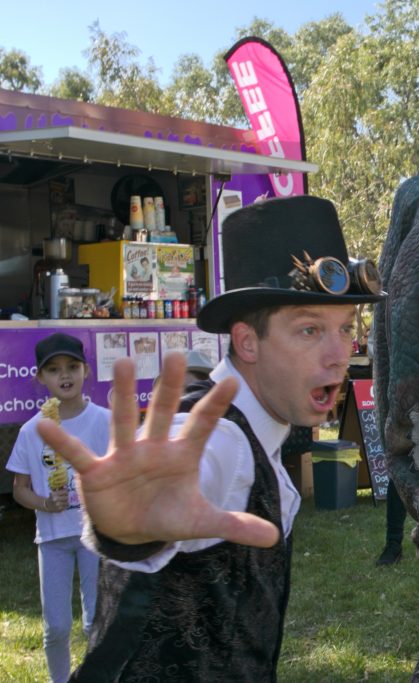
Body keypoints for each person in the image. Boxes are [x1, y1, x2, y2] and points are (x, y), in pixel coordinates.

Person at [36, 196, 385, 680]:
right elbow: (197, 463)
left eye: (345, 329)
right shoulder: (219, 436)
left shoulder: (263, 429)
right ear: (246, 341)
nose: (338, 355)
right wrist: (129, 529)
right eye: (309, 330)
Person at [6, 333, 110, 683]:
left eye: (72, 367)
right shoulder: (32, 430)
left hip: (95, 536)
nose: (64, 375)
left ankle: (96, 677)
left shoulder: (103, 421)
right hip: (52, 538)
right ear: (40, 378)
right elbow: (19, 488)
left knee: (95, 618)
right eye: (53, 370)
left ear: (86, 371)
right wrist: (45, 502)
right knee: (56, 626)